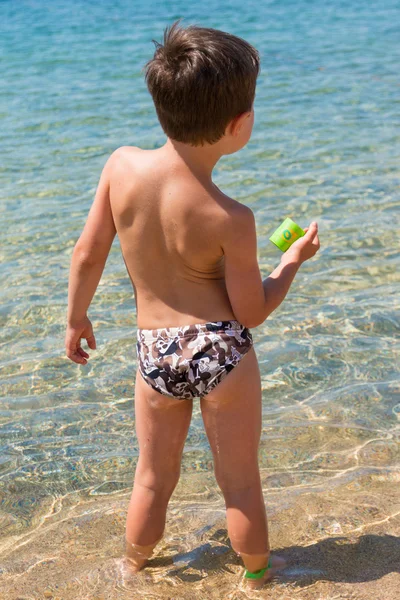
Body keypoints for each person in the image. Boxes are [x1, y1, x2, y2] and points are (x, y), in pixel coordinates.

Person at [65, 21, 320, 589]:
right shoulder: (231, 218)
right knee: (240, 483)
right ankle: (257, 576)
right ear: (239, 126)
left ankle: (130, 567)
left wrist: (77, 316)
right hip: (221, 350)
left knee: (153, 478)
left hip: (154, 350)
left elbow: (87, 254)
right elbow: (251, 311)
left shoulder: (121, 167)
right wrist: (291, 263)